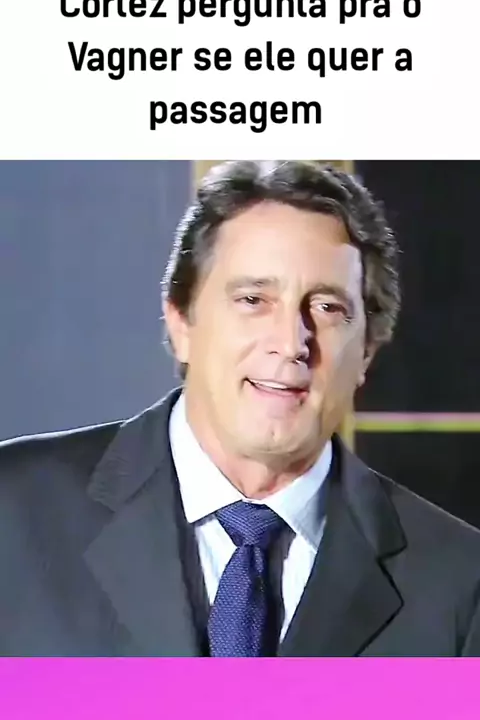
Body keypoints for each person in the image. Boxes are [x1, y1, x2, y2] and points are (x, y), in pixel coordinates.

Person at [2, 159, 480, 657]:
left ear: (366, 352)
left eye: (327, 308)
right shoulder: (13, 515)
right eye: (254, 299)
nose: (291, 342)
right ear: (181, 322)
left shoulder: (459, 587)